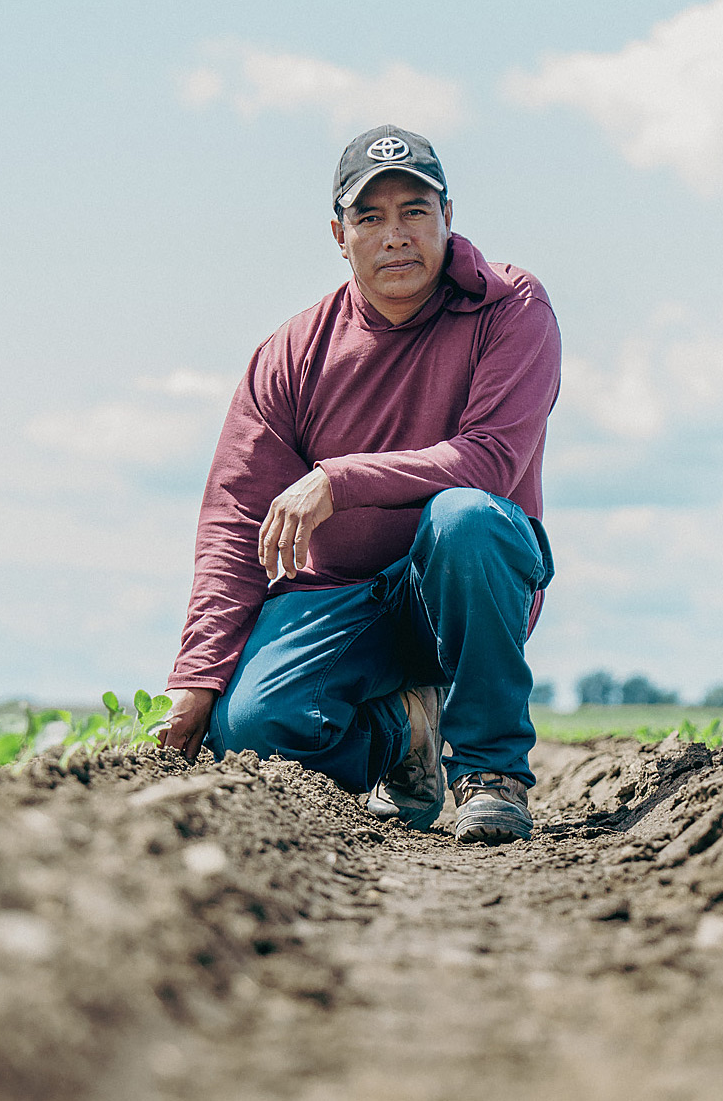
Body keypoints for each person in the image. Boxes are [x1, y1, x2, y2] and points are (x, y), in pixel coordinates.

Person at [157, 124, 560, 844]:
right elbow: (232, 517)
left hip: (464, 587)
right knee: (249, 730)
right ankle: (402, 731)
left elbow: (492, 459)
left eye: (413, 210)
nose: (394, 235)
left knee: (465, 516)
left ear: (446, 218)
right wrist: (198, 674)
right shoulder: (290, 354)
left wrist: (337, 480)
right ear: (339, 236)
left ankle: (489, 771)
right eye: (369, 217)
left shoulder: (510, 306)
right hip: (342, 600)